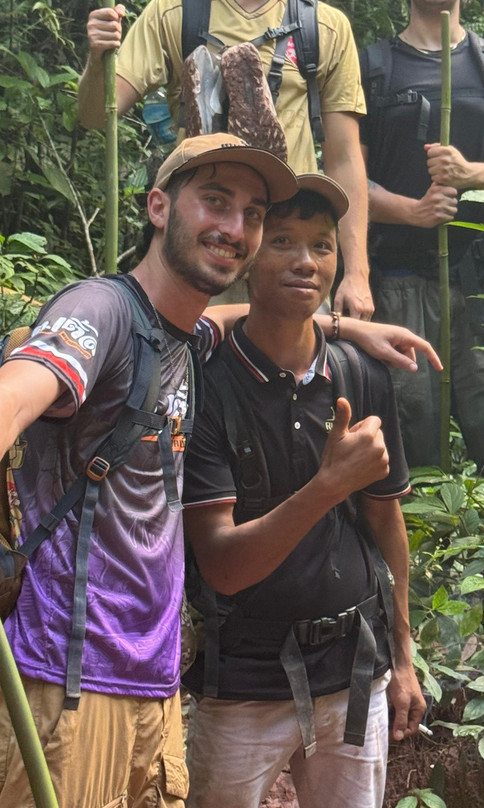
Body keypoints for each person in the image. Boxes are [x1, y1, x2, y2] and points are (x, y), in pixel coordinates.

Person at [0, 134, 436, 808]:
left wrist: (344, 329)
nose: (235, 228)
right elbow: (17, 387)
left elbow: (245, 318)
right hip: (68, 680)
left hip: (155, 683)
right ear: (157, 207)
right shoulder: (101, 311)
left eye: (252, 214)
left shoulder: (182, 334)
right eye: (214, 202)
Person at [180, 174, 429, 808]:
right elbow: (223, 565)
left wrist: (404, 656)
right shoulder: (205, 382)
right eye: (283, 240)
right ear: (250, 251)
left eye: (322, 245)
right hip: (240, 681)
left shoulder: (358, 373)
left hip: (355, 671)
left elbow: (385, 520)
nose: (305, 261)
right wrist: (327, 486)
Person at [360, 0, 484, 484]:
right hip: (397, 279)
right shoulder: (372, 66)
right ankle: (418, 553)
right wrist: (412, 211)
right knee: (403, 440)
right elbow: (346, 178)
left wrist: (474, 174)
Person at [81, 0, 377, 320]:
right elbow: (97, 116)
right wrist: (99, 59)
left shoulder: (322, 25)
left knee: (292, 363)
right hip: (205, 242)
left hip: (289, 246)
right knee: (188, 357)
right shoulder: (173, 11)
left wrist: (357, 274)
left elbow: (344, 157)